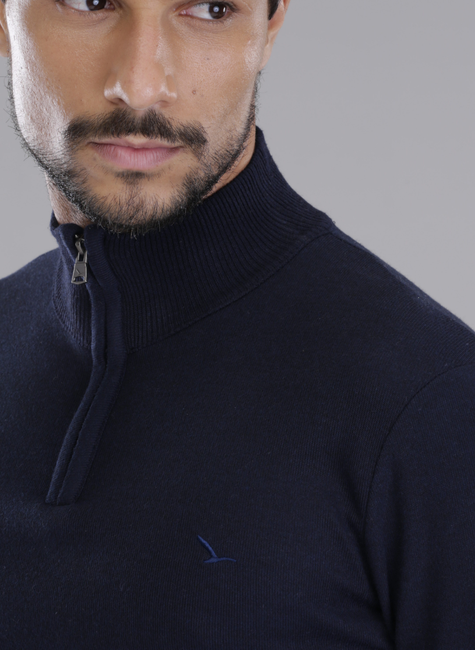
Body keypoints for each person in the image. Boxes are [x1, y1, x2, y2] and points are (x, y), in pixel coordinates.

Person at [0, 0, 474, 647]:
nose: (140, 85)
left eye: (210, 9)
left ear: (269, 27)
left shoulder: (434, 404)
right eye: (90, 2)